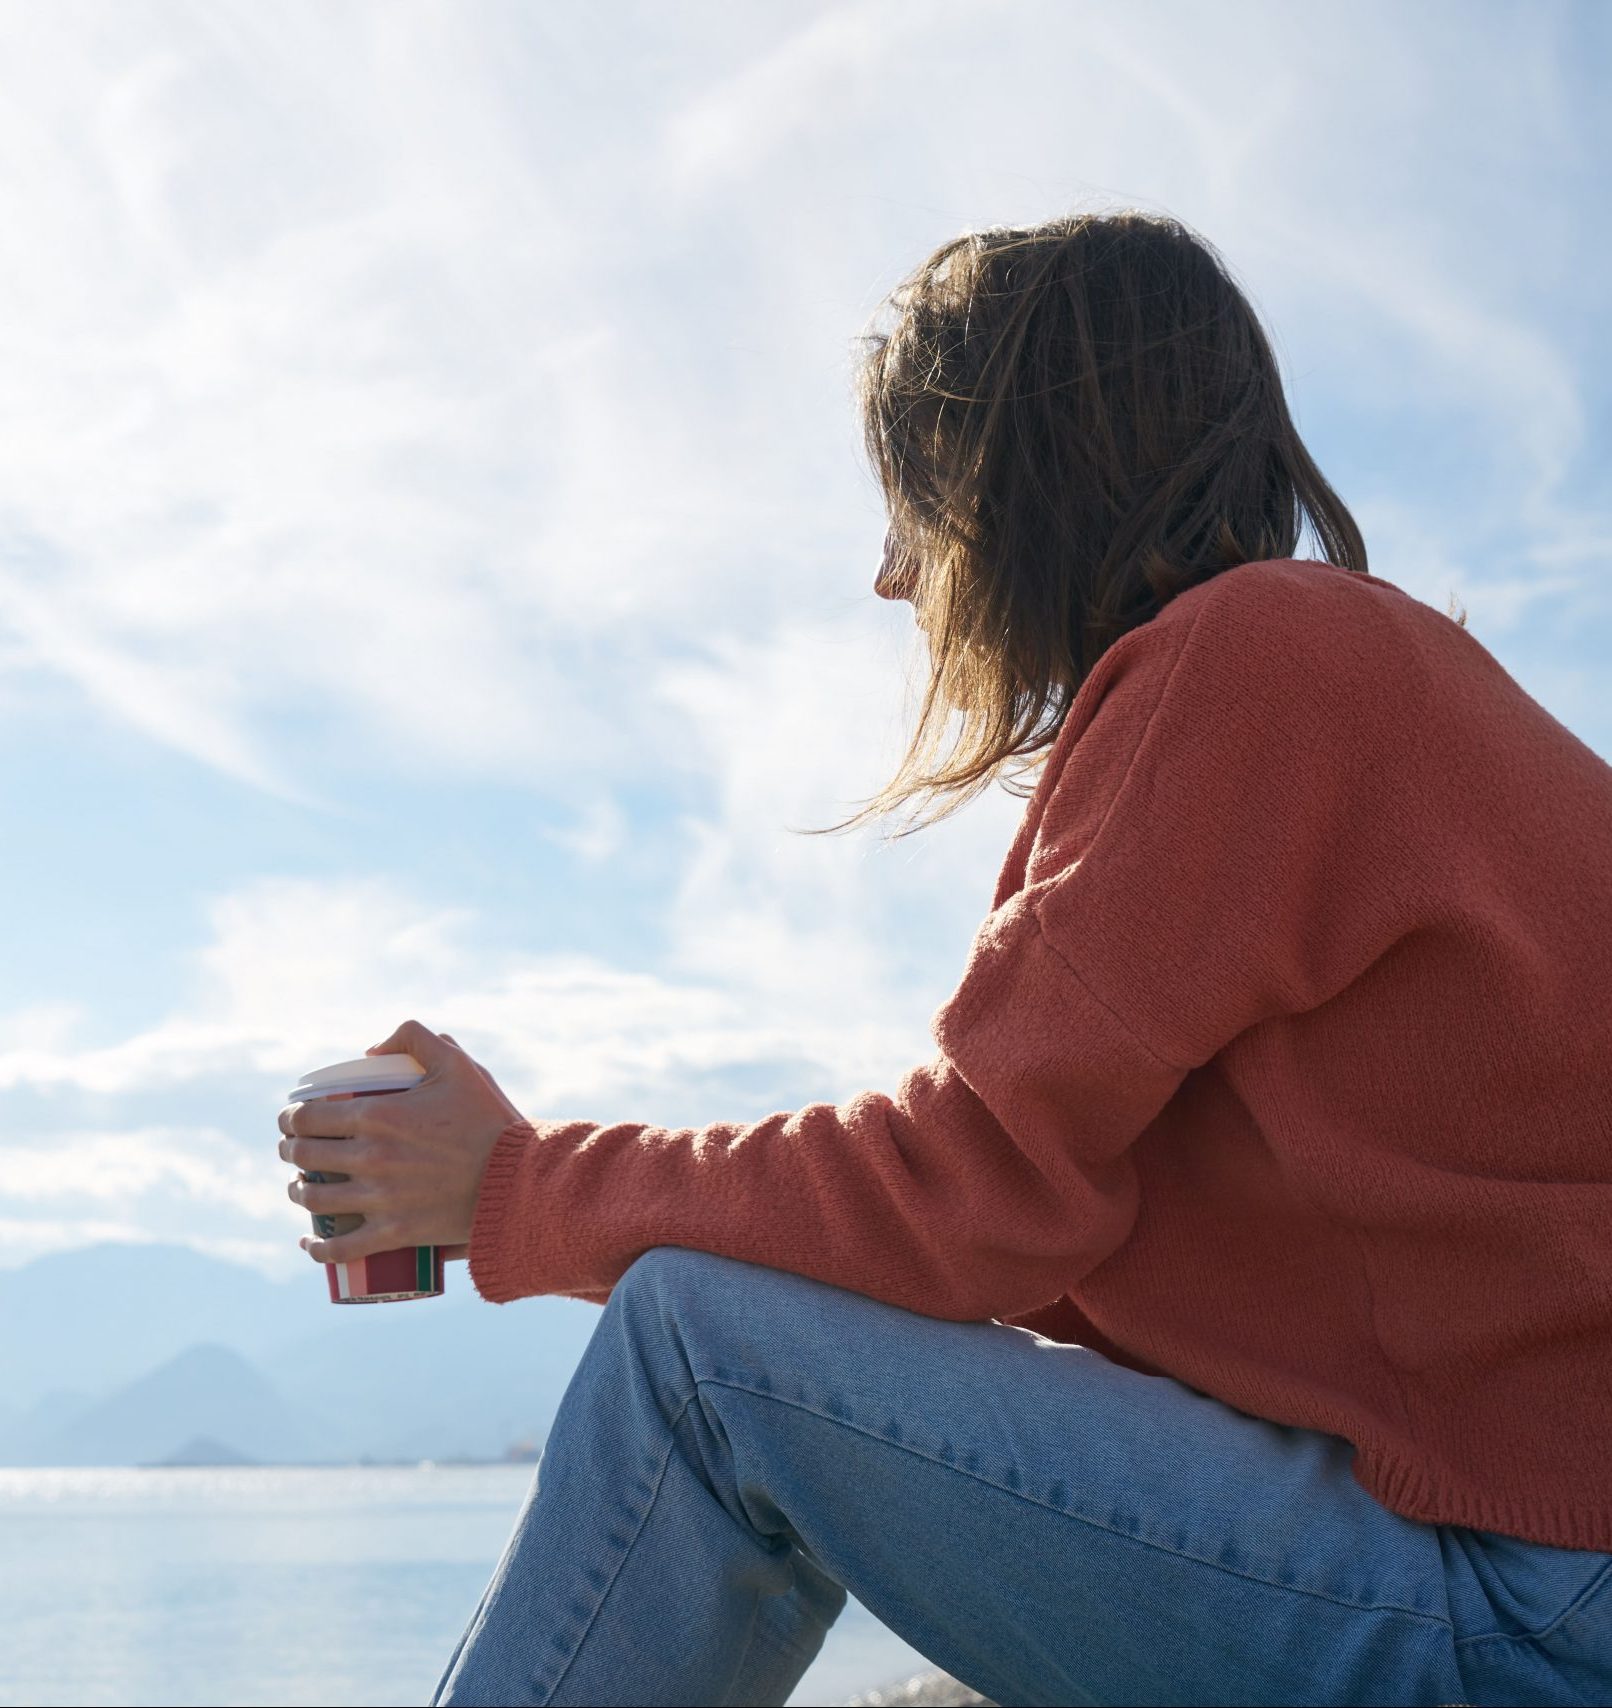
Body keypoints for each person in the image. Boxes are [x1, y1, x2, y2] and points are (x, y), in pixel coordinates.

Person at [277, 211, 1612, 1707]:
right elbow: (1044, 1226)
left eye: (915, 503)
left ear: (1014, 478)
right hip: (1544, 1551)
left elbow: (973, 1192)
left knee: (697, 1354)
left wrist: (514, 1191)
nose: (895, 579)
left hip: (1538, 1599)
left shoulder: (1250, 662)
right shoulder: (1361, 674)